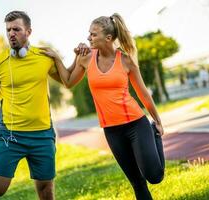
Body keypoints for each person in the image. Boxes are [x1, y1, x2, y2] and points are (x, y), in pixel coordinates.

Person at [42, 13, 165, 200]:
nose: (88, 37)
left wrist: (157, 121)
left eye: (93, 34)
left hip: (136, 124)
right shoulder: (86, 59)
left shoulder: (125, 60)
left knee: (154, 177)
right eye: (88, 33)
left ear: (108, 38)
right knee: (137, 183)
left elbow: (143, 93)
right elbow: (67, 81)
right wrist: (59, 58)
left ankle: (154, 135)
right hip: (111, 130)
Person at [0, 11, 88, 199]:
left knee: (46, 190)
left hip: (42, 135)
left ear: (28, 31)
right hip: (11, 135)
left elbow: (68, 80)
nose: (11, 33)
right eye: (8, 30)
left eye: (16, 29)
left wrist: (77, 57)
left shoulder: (44, 57)